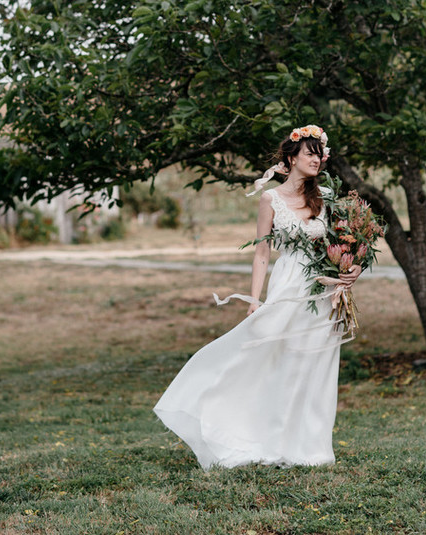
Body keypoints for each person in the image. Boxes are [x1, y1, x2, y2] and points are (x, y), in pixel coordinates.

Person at [153, 124, 361, 470]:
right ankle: (247, 428)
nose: (317, 160)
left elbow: (346, 243)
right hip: (289, 285)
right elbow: (262, 253)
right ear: (291, 158)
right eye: (310, 154)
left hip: (323, 291)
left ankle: (313, 449)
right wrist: (254, 299)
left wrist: (354, 269)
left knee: (317, 365)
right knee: (280, 360)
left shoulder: (326, 195)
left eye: (320, 155)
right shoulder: (271, 199)